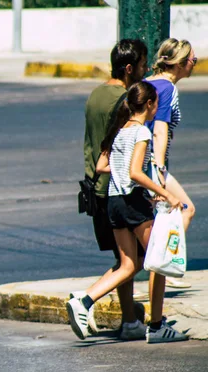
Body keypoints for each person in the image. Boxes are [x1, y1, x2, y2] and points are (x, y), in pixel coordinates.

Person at [67, 81, 189, 344]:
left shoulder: (121, 130)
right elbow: (135, 172)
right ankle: (157, 326)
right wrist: (165, 192)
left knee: (129, 265)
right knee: (160, 258)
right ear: (148, 104)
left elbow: (102, 165)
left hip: (113, 201)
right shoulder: (142, 133)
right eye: (156, 103)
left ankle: (84, 301)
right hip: (132, 201)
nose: (158, 108)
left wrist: (125, 172)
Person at [78, 39, 149, 340]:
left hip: (95, 188)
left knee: (125, 259)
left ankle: (130, 320)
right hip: (117, 188)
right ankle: (85, 300)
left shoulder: (96, 94)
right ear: (130, 68)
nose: (146, 71)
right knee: (142, 256)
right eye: (144, 65)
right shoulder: (123, 100)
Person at [145, 38, 197, 290]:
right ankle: (167, 265)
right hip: (152, 165)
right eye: (192, 61)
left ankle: (163, 270)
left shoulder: (146, 83)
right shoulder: (167, 88)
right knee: (185, 209)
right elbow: (160, 131)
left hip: (139, 161)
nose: (194, 65)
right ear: (179, 63)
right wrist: (160, 171)